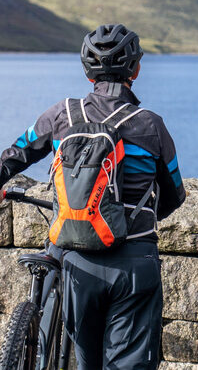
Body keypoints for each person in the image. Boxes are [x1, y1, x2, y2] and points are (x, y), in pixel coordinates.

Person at [0, 23, 186, 370]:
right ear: (137, 69)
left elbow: (16, 153)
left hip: (76, 261)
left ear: (87, 72)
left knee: (85, 361)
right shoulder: (151, 125)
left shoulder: (60, 115)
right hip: (134, 260)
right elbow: (175, 194)